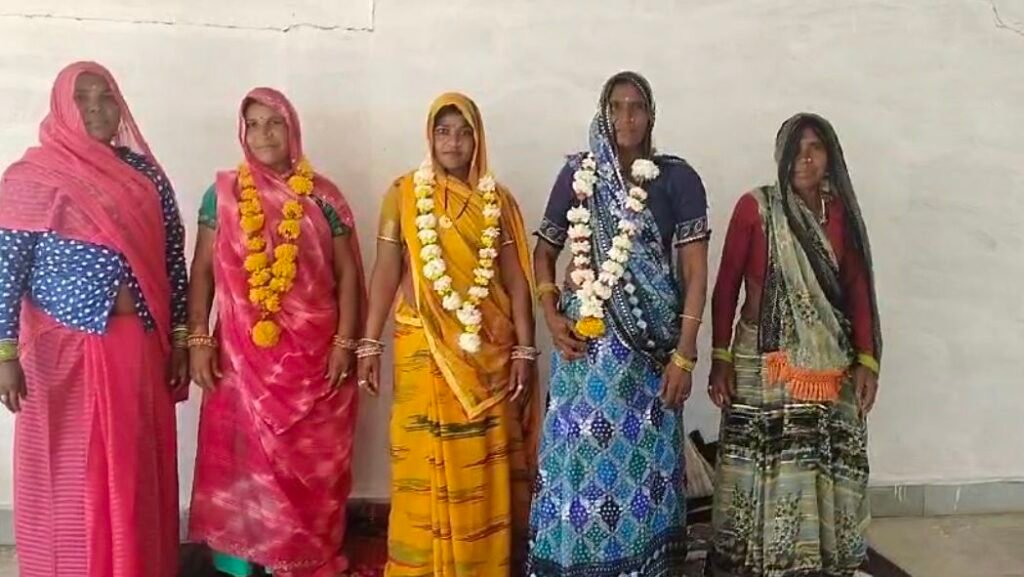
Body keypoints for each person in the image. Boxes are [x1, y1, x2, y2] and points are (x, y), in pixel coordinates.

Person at [0, 61, 187, 577]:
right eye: (82, 98)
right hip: (64, 352)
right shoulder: (30, 178)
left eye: (106, 96)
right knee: (71, 469)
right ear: (62, 107)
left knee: (132, 465)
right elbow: (6, 270)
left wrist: (180, 338)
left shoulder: (144, 175)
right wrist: (5, 353)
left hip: (139, 347)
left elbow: (173, 259)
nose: (97, 108)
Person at [527, 71, 711, 577]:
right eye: (616, 107)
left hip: (651, 356)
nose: (626, 118)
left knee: (647, 469)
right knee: (580, 461)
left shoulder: (677, 179)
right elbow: (543, 252)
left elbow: (696, 273)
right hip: (584, 354)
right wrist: (551, 314)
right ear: (603, 113)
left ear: (651, 115)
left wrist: (685, 354)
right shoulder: (578, 175)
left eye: (637, 107)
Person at [356, 92, 539, 577]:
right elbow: (386, 271)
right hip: (422, 347)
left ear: (478, 140)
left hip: (488, 352)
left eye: (463, 133)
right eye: (443, 131)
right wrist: (369, 342)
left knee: (483, 458)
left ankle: (483, 563)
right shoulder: (402, 194)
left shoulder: (497, 201)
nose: (453, 142)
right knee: (421, 457)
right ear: (429, 136)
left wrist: (525, 348)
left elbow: (515, 278)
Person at [186, 87, 363, 577]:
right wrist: (198, 339)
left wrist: (345, 342)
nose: (264, 134)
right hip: (240, 358)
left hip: (315, 356)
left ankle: (304, 559)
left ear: (293, 129)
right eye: (254, 125)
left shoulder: (323, 195)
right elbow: (202, 271)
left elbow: (348, 274)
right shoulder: (222, 195)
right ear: (242, 133)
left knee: (310, 465)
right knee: (243, 463)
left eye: (274, 123)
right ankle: (242, 563)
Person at [704, 113, 882, 577]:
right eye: (796, 149)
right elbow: (727, 287)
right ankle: (755, 558)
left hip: (829, 362)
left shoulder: (840, 215)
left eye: (815, 148)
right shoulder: (756, 208)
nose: (805, 159)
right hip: (763, 361)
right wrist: (720, 358)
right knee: (763, 461)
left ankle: (815, 558)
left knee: (821, 461)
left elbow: (858, 289)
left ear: (830, 156)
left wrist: (868, 360)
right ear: (780, 156)